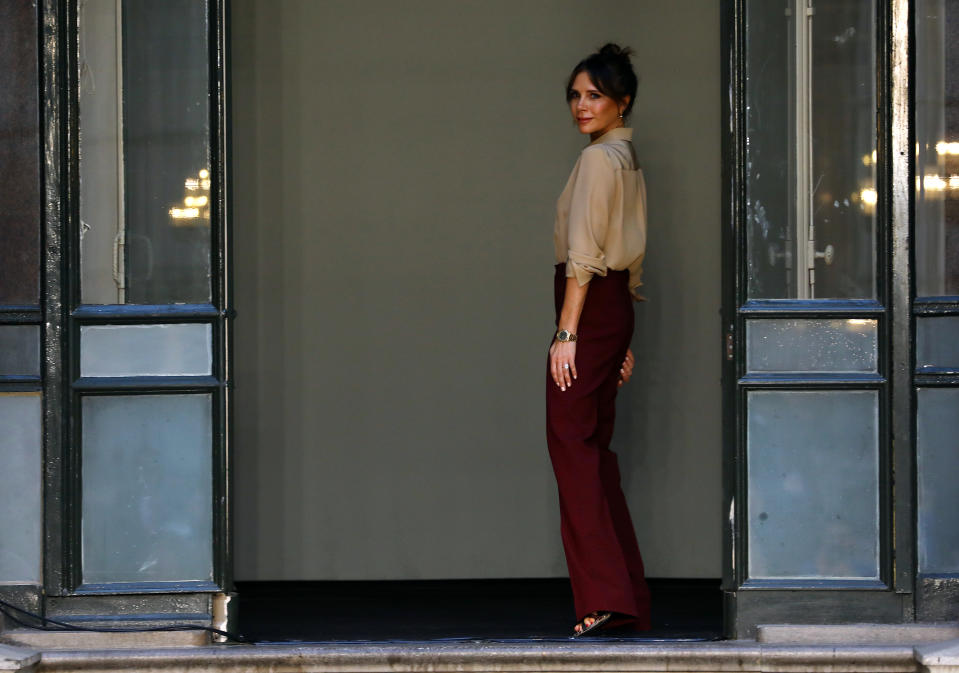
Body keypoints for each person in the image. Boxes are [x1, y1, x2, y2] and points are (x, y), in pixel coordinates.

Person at [546, 43, 651, 637]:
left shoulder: (596, 162)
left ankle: (604, 598)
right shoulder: (625, 156)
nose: (582, 106)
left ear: (622, 101)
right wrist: (617, 335)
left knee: (573, 448)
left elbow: (584, 258)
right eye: (576, 95)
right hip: (611, 313)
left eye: (595, 96)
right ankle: (625, 594)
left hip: (589, 311)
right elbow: (629, 252)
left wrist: (568, 334)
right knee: (594, 451)